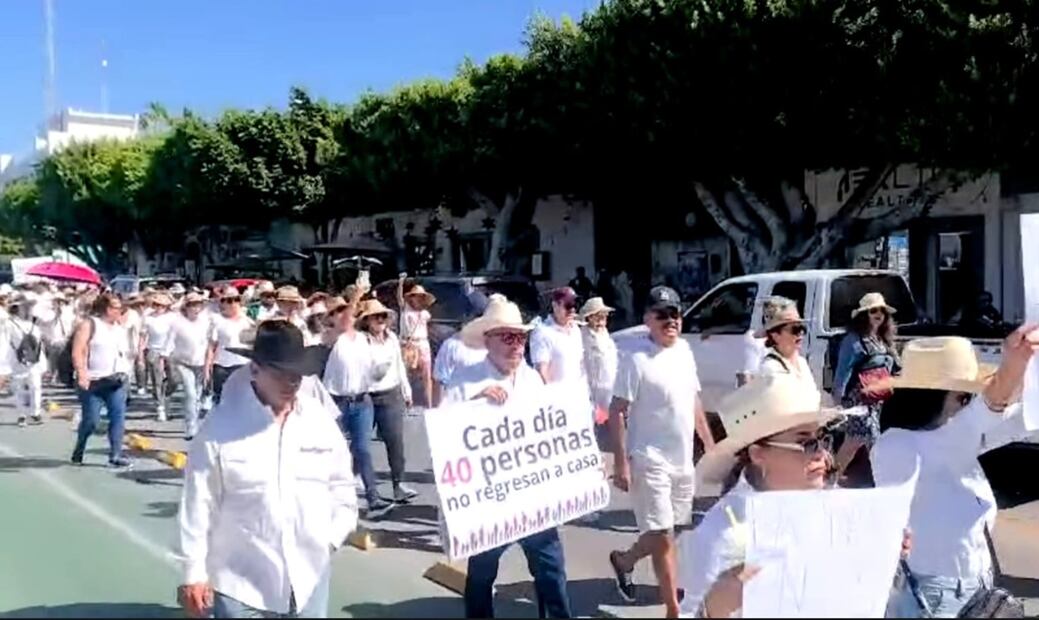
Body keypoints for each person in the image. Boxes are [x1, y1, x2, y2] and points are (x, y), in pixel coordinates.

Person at [176, 321, 357, 619]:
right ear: (255, 370)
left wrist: (330, 538)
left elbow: (342, 488)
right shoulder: (220, 428)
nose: (292, 383)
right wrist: (194, 572)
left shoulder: (319, 421)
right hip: (241, 583)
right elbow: (198, 503)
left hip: (309, 577)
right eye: (281, 374)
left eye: (297, 375)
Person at [875, 331, 1038, 618]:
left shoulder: (952, 441)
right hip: (934, 596)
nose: (970, 403)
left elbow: (1020, 419)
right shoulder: (897, 445)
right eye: (964, 397)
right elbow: (983, 416)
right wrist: (1013, 366)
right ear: (931, 397)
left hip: (975, 588)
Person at [443, 295, 571, 619]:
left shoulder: (531, 379)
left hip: (531, 497)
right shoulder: (465, 380)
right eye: (508, 337)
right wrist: (476, 401)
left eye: (521, 337)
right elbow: (445, 437)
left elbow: (550, 433)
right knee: (483, 572)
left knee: (551, 569)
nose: (517, 345)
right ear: (488, 340)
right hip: (490, 501)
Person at [676, 375, 842, 617]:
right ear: (758, 454)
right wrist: (718, 603)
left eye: (821, 440)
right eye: (806, 443)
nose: (821, 454)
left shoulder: (832, 503)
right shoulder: (723, 534)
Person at [607, 285, 714, 618]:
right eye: (662, 315)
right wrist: (621, 462)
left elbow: (694, 401)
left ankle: (624, 560)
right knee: (664, 536)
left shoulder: (684, 351)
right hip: (648, 457)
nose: (671, 321)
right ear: (647, 320)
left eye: (676, 314)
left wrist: (710, 444)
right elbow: (616, 410)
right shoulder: (635, 358)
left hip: (681, 460)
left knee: (670, 530)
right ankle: (673, 610)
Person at [323, 288, 392, 515]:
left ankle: (373, 497)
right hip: (337, 402)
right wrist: (354, 298)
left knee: (362, 449)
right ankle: (331, 497)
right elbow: (344, 324)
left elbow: (372, 370)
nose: (345, 314)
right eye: (339, 311)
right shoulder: (332, 337)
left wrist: (381, 371)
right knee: (333, 451)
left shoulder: (363, 339)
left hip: (362, 401)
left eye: (345, 310)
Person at [832, 292, 902, 483]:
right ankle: (885, 481)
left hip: (876, 401)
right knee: (871, 439)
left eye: (882, 310)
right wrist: (838, 403)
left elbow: (896, 367)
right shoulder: (853, 341)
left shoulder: (883, 340)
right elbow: (842, 373)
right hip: (858, 400)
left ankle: (830, 480)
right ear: (864, 314)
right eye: (873, 311)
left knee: (853, 442)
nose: (878, 314)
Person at [357, 298, 417, 503]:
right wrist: (376, 370)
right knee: (361, 443)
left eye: (383, 316)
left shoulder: (391, 337)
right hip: (366, 395)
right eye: (376, 317)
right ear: (367, 320)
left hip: (390, 394)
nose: (381, 320)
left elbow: (400, 366)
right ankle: (352, 478)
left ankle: (398, 484)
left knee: (395, 442)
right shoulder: (360, 340)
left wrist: (406, 390)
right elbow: (362, 369)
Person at [70, 293, 133, 469]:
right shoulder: (89, 325)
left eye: (121, 308)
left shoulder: (120, 329)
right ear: (106, 308)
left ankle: (115, 455)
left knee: (117, 417)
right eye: (116, 307)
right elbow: (78, 350)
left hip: (116, 380)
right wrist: (82, 373)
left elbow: (124, 354)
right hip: (93, 381)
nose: (120, 311)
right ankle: (80, 445)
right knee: (91, 421)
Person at [531, 287, 590, 410]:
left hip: (579, 400)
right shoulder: (542, 332)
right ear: (555, 305)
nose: (572, 310)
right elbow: (541, 371)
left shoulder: (575, 329)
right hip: (557, 405)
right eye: (568, 306)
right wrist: (552, 401)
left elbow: (581, 364)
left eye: (575, 305)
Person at [431, 291, 491, 407]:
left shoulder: (494, 345)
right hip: (462, 415)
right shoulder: (452, 346)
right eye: (478, 317)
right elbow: (439, 383)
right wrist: (438, 415)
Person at [169, 292, 212, 440]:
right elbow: (169, 342)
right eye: (192, 304)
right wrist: (166, 357)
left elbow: (211, 343)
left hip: (201, 363)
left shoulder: (206, 321)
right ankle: (191, 427)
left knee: (198, 395)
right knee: (190, 394)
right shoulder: (177, 322)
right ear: (186, 307)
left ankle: (196, 422)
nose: (195, 308)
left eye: (198, 304)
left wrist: (209, 362)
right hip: (183, 362)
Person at [205, 287, 254, 405]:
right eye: (229, 300)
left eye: (236, 300)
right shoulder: (217, 320)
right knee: (221, 400)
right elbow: (211, 346)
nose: (233, 304)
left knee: (242, 399)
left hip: (242, 364)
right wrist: (207, 368)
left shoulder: (247, 322)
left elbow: (253, 345)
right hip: (222, 365)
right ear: (223, 303)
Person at [754, 296, 815, 388]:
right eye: (795, 329)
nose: (800, 333)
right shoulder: (771, 370)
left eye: (802, 327)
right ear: (775, 335)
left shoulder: (802, 363)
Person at [7, 295, 47, 427]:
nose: (26, 309)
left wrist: (43, 364)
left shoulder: (34, 324)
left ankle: (35, 413)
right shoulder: (9, 324)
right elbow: (4, 344)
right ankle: (21, 415)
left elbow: (39, 345)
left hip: (34, 361)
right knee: (18, 388)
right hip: (17, 361)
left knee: (36, 387)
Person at [397, 275, 436, 407]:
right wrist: (401, 282)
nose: (417, 298)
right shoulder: (405, 308)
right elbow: (399, 298)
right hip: (407, 343)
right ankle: (407, 402)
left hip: (422, 343)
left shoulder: (424, 313)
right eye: (415, 295)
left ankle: (429, 404)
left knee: (426, 375)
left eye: (420, 296)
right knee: (405, 375)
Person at [579, 296, 617, 429]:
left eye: (604, 316)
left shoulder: (604, 333)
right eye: (599, 316)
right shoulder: (583, 336)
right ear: (590, 317)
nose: (603, 319)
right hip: (595, 389)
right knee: (598, 425)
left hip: (611, 386)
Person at [141, 293, 176, 422]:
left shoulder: (172, 317)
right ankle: (160, 407)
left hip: (171, 350)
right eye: (156, 305)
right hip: (153, 350)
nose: (158, 307)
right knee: (157, 380)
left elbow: (174, 335)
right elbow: (143, 336)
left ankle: (166, 397)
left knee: (174, 379)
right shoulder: (148, 318)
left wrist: (166, 352)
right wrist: (140, 353)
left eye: (161, 305)